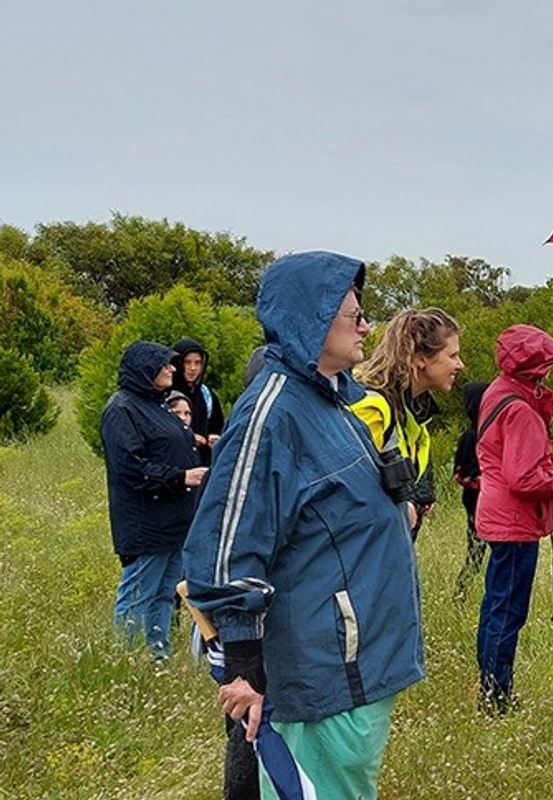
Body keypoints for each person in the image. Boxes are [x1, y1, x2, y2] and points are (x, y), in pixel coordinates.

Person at [182, 251, 423, 799]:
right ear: (311, 319)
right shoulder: (272, 415)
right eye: (352, 314)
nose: (366, 326)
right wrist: (244, 666)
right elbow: (227, 543)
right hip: (323, 669)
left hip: (352, 665)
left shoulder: (329, 402)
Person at [474, 324, 553, 714]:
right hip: (514, 521)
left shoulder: (497, 392)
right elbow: (525, 477)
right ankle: (497, 698)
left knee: (494, 605)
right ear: (539, 369)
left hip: (496, 512)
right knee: (508, 611)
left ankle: (489, 689)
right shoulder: (521, 411)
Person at [101, 341, 206, 660]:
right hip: (146, 522)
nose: (173, 369)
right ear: (144, 369)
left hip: (174, 521)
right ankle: (127, 660)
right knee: (138, 594)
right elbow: (129, 467)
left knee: (164, 594)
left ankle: (157, 657)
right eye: (165, 365)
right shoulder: (121, 409)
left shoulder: (156, 404)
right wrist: (180, 477)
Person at [350, 307, 465, 536]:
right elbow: (349, 493)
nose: (460, 365)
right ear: (421, 358)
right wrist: (400, 508)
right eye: (452, 356)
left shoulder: (414, 411)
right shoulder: (371, 406)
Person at [451, 380, 490, 600]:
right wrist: (485, 483)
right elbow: (460, 473)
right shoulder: (471, 437)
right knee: (476, 552)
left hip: (489, 501)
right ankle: (461, 594)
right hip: (476, 502)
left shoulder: (489, 432)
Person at [170, 338, 226, 466]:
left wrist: (214, 439)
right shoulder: (165, 393)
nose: (193, 368)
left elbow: (218, 426)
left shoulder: (206, 395)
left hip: (203, 463)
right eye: (187, 362)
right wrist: (188, 438)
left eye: (198, 363)